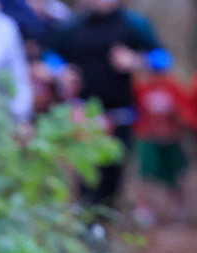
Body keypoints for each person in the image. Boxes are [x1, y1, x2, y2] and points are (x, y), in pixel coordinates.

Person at [47, 0, 164, 207]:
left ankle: (105, 225)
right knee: (86, 180)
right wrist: (60, 72)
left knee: (112, 181)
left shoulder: (133, 23)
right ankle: (87, 227)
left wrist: (136, 60)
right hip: (82, 118)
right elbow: (51, 56)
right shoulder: (73, 25)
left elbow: (163, 59)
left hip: (120, 117)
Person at [130, 49, 191, 225]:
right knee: (145, 174)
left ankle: (179, 209)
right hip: (149, 139)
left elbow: (184, 111)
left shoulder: (174, 87)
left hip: (171, 140)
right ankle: (143, 210)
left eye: (161, 71)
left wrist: (177, 121)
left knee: (175, 175)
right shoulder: (141, 88)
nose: (158, 75)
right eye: (154, 71)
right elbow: (136, 111)